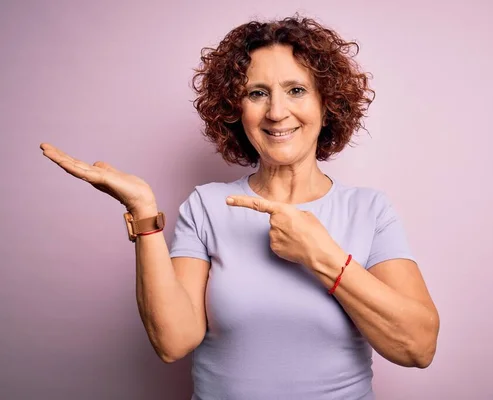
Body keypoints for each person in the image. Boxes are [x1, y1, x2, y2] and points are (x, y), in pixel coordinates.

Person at [40, 15, 439, 400]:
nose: (277, 112)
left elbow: (418, 348)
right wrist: (143, 212)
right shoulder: (206, 205)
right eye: (257, 93)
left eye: (296, 90)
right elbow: (173, 342)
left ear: (326, 104)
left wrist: (322, 256)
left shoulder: (369, 210)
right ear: (237, 110)